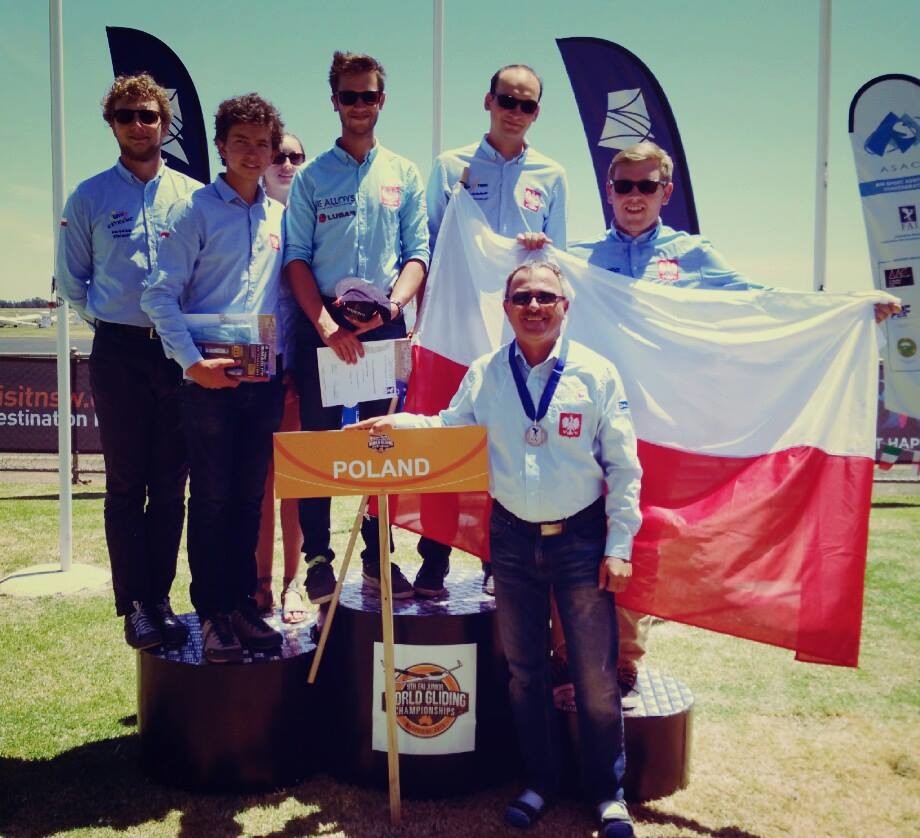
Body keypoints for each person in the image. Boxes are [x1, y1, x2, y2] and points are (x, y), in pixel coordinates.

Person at [569, 139, 901, 707]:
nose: (634, 196)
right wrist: (524, 250)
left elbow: (762, 304)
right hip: (588, 422)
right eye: (624, 186)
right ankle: (566, 654)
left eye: (646, 186)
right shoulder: (579, 258)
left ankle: (624, 659)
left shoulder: (694, 256)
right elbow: (527, 289)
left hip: (661, 429)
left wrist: (846, 308)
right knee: (575, 535)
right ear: (609, 190)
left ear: (666, 192)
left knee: (640, 541)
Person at [350, 261, 640, 837]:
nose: (534, 306)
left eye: (546, 297)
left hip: (581, 542)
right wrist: (398, 426)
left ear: (565, 306)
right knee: (525, 672)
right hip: (510, 541)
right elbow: (450, 427)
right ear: (506, 308)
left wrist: (620, 544)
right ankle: (540, 782)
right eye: (522, 297)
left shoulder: (597, 374)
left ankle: (607, 793)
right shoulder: (486, 373)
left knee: (595, 676)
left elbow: (624, 467)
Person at [141, 94, 290, 664]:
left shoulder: (280, 216)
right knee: (211, 499)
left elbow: (282, 301)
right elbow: (159, 296)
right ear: (222, 146)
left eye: (263, 144)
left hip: (263, 382)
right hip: (207, 384)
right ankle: (210, 614)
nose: (253, 153)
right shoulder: (195, 211)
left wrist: (286, 365)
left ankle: (241, 605)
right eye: (241, 142)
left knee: (249, 499)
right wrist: (192, 366)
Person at [55, 73, 200, 650]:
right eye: (126, 116)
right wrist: (112, 325)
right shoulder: (89, 197)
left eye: (149, 115)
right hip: (118, 352)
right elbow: (72, 281)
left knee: (169, 485)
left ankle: (160, 598)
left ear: (166, 124)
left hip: (177, 353)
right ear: (111, 124)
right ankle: (134, 605)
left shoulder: (191, 195)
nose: (139, 125)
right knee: (124, 484)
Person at [415, 63, 568, 598]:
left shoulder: (552, 175)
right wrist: (420, 323)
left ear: (537, 113)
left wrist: (541, 255)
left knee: (510, 441)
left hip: (518, 329)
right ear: (488, 101)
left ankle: (496, 559)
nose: (515, 113)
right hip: (455, 326)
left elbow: (558, 265)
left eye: (527, 105)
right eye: (507, 100)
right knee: (448, 433)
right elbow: (430, 249)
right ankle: (433, 555)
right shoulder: (450, 166)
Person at [284, 51, 428, 604]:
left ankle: (376, 556)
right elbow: (296, 258)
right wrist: (326, 326)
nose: (360, 105)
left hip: (384, 323)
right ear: (335, 102)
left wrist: (391, 308)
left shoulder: (404, 173)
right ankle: (318, 559)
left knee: (380, 444)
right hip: (326, 324)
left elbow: (417, 254)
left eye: (369, 95)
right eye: (350, 96)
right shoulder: (312, 177)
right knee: (320, 444)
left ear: (382, 100)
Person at [255, 133, 308, 623]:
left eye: (295, 156)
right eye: (278, 156)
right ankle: (261, 584)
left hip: (301, 369)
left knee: (295, 483)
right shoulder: (252, 214)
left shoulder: (310, 214)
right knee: (258, 484)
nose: (286, 163)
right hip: (255, 370)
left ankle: (295, 582)